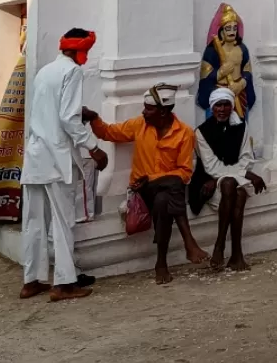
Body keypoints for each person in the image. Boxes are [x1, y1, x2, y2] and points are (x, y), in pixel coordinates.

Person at [85, 84, 208, 285]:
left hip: (164, 190)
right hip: (141, 191)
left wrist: (153, 178)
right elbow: (109, 132)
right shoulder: (139, 125)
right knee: (172, 186)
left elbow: (185, 172)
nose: (144, 112)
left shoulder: (184, 133)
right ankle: (189, 242)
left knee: (164, 200)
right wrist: (93, 118)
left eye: (148, 109)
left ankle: (161, 263)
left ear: (163, 111)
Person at [20, 28, 108, 302]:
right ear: (79, 50)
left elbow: (52, 110)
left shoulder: (45, 71)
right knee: (62, 221)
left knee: (34, 221)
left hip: (36, 155)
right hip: (57, 158)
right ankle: (64, 283)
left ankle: (31, 280)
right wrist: (93, 147)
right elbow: (68, 118)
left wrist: (82, 112)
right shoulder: (72, 72)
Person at [190, 87, 266, 272]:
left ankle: (231, 252)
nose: (222, 109)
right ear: (212, 108)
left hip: (231, 184)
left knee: (236, 191)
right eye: (218, 105)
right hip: (210, 184)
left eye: (226, 105)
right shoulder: (201, 132)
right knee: (230, 184)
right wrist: (246, 174)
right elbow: (212, 167)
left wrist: (244, 172)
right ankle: (225, 248)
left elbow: (247, 158)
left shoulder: (241, 127)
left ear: (232, 107)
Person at [197, 2, 256, 120]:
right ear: (221, 31)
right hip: (219, 94)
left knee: (240, 129)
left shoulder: (242, 49)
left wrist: (241, 84)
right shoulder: (212, 51)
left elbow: (247, 72)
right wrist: (220, 73)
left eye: (235, 28)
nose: (232, 32)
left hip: (239, 95)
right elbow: (205, 77)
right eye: (228, 28)